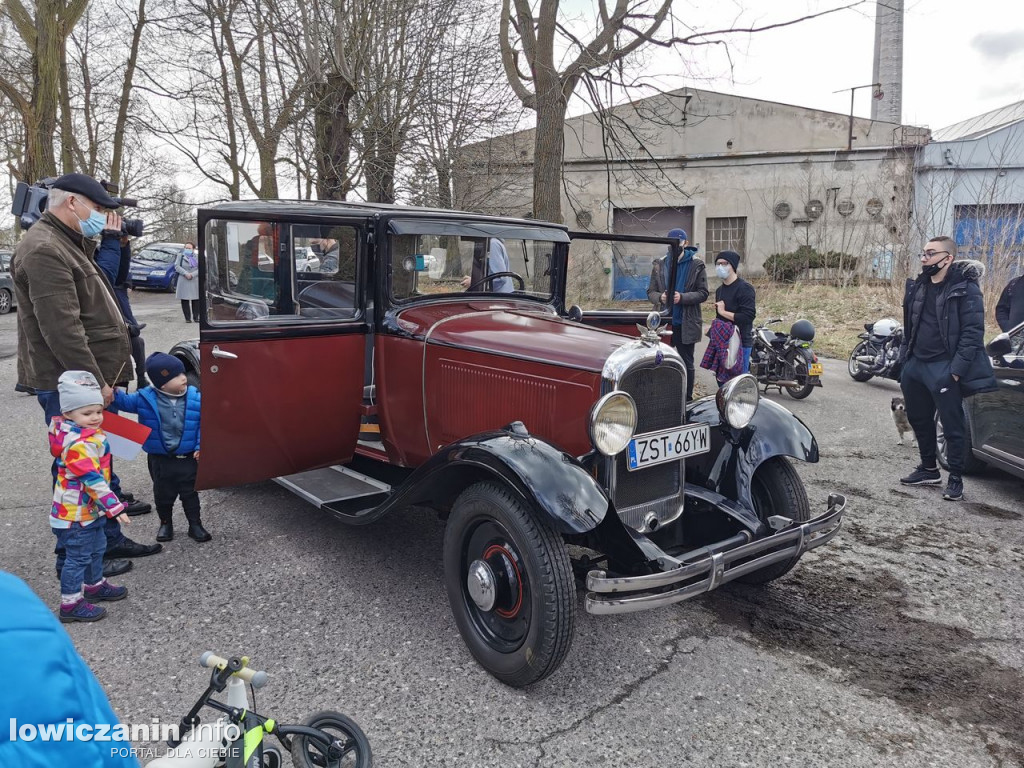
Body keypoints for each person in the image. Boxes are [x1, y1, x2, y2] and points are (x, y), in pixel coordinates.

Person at [11, 173, 161, 578]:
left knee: (101, 457)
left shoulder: (67, 242)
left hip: (86, 383)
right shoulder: (44, 249)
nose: (102, 216)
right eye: (98, 208)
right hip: (73, 386)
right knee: (77, 468)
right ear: (72, 203)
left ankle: (106, 539)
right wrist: (94, 387)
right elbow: (62, 328)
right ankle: (84, 554)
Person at [0, 570, 140, 766]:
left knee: (89, 549)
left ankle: (90, 585)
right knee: (78, 553)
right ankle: (71, 602)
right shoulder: (12, 603)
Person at [897, 237, 997, 501]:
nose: (924, 258)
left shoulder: (966, 288)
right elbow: (910, 324)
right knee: (918, 419)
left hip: (945, 366)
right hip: (916, 364)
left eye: (930, 253)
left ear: (948, 258)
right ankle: (929, 468)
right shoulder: (918, 285)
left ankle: (955, 478)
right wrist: (905, 360)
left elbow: (973, 333)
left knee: (953, 425)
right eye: (922, 253)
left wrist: (955, 371)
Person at [49, 371, 131, 623]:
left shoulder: (86, 435)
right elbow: (93, 481)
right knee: (78, 558)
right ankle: (70, 603)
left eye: (98, 411)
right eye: (87, 413)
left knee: (97, 549)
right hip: (74, 515)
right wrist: (115, 507)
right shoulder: (77, 445)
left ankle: (94, 585)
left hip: (88, 511)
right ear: (68, 414)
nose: (95, 418)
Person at [113, 353, 208, 543]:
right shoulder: (144, 399)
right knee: (163, 494)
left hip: (188, 457)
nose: (183, 377)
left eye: (183, 373)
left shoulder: (196, 397)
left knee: (190, 494)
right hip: (159, 459)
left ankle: (195, 525)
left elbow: (203, 424)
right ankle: (166, 523)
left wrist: (200, 445)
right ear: (161, 383)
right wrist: (112, 391)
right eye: (176, 375)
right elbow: (122, 402)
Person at [647, 228, 708, 401]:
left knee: (686, 363)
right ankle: (660, 398)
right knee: (659, 362)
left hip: (685, 322)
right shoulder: (660, 264)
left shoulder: (696, 265)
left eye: (678, 243)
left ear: (685, 243)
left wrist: (682, 297)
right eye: (670, 243)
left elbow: (703, 293)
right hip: (663, 323)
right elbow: (650, 291)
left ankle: (687, 399)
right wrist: (661, 297)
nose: (674, 247)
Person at [96, 225, 148, 388]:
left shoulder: (100, 250)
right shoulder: (87, 252)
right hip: (101, 312)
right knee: (129, 337)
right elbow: (102, 280)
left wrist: (124, 246)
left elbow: (119, 277)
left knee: (137, 341)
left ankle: (141, 377)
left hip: (116, 293)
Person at [712, 250, 756, 375]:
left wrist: (723, 312)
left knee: (737, 384)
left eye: (724, 263)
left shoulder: (745, 288)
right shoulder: (719, 290)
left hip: (740, 343)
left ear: (733, 266)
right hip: (722, 343)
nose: (720, 267)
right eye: (718, 264)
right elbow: (720, 317)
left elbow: (748, 317)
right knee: (722, 381)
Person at [176, 241, 200, 323]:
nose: (187, 249)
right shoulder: (180, 256)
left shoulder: (197, 257)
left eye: (189, 248)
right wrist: (185, 273)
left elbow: (200, 268)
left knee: (196, 299)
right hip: (183, 279)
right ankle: (187, 318)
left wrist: (192, 274)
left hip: (194, 280)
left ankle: (196, 317)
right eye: (186, 248)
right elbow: (177, 266)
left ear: (193, 249)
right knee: (185, 299)